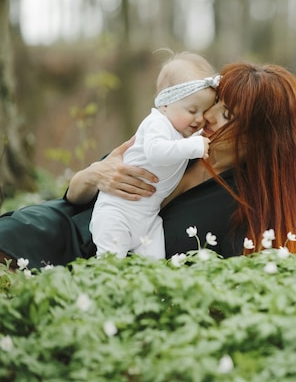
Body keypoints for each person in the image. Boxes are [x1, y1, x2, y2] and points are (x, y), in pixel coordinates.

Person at [0, 61, 296, 269]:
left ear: (262, 135)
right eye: (216, 105)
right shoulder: (181, 140)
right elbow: (72, 197)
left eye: (227, 115)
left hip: (93, 267)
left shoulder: (246, 201)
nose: (209, 118)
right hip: (53, 230)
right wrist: (92, 174)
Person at [91, 52, 216, 259]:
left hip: (148, 219)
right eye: (192, 110)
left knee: (155, 264)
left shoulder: (182, 130)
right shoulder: (156, 123)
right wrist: (194, 145)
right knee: (110, 261)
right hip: (117, 212)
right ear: (165, 103)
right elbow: (156, 152)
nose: (199, 119)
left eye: (204, 112)